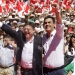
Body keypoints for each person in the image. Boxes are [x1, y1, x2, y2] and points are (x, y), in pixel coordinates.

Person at [43, 3, 65, 75]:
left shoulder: (58, 35)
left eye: (49, 22)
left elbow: (60, 24)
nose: (47, 24)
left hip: (58, 71)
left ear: (54, 25)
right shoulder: (43, 37)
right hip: (46, 71)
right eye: (45, 23)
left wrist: (57, 11)